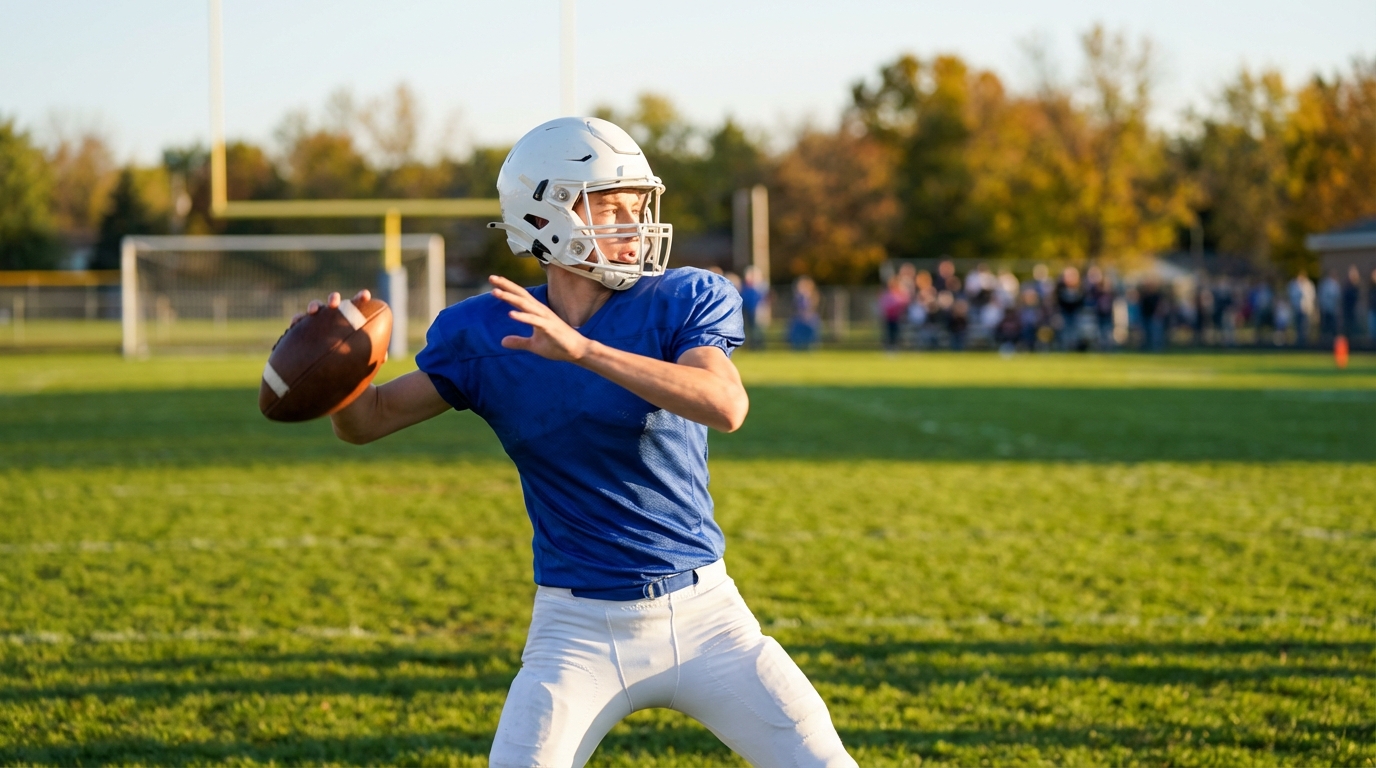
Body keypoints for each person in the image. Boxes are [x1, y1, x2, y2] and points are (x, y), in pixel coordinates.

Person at [293, 118, 856, 768]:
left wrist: (584, 352)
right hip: (576, 627)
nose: (635, 224)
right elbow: (367, 422)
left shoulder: (679, 298)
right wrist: (338, 369)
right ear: (545, 215)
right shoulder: (488, 331)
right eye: (611, 206)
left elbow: (725, 404)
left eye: (638, 206)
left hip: (707, 615)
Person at [739, 265, 770, 350]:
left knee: (757, 329)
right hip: (746, 310)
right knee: (749, 329)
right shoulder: (745, 287)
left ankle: (758, 345)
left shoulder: (760, 287)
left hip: (757, 310)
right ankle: (750, 345)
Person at [789, 275, 822, 350]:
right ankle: (797, 347)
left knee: (811, 331)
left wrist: (807, 315)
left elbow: (813, 307)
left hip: (810, 319)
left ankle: (810, 347)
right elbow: (795, 308)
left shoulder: (813, 296)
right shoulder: (797, 297)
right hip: (799, 319)